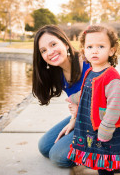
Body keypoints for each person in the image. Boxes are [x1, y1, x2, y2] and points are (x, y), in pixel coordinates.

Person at [67, 25, 120, 175]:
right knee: (97, 156)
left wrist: (106, 128)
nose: (94, 50)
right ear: (84, 51)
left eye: (101, 46)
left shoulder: (112, 77)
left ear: (111, 50)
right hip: (89, 125)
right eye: (89, 47)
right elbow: (87, 91)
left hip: (104, 127)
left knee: (105, 160)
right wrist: (75, 99)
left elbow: (115, 107)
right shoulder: (90, 71)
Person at [32, 25, 90, 167]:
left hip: (105, 118)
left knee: (58, 157)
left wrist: (74, 120)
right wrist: (74, 119)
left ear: (65, 43)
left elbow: (105, 101)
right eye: (44, 50)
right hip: (83, 116)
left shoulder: (88, 62)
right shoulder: (58, 73)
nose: (50, 52)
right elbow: (79, 104)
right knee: (44, 147)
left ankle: (110, 152)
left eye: (53, 44)